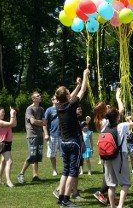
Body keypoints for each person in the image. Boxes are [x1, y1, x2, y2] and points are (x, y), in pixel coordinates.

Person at [54, 68, 89, 207]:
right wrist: (85, 77)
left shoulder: (58, 106)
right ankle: (67, 199)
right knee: (72, 172)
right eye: (68, 92)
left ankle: (61, 197)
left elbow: (73, 95)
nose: (70, 93)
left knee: (65, 170)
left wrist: (77, 85)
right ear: (67, 96)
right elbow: (82, 93)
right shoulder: (70, 105)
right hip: (74, 143)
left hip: (64, 142)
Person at [102, 106, 133, 208]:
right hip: (120, 155)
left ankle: (112, 206)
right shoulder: (122, 126)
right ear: (117, 117)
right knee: (125, 183)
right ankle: (120, 206)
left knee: (111, 184)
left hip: (107, 156)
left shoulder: (104, 126)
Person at [92, 88, 124, 206]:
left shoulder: (99, 120)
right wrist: (117, 97)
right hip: (110, 149)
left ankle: (110, 196)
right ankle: (100, 192)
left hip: (104, 149)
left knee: (108, 173)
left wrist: (108, 110)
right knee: (110, 175)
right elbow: (121, 110)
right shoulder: (105, 121)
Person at [17, 91, 46, 184]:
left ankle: (35, 176)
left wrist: (39, 122)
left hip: (40, 135)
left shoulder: (41, 109)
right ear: (33, 99)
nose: (40, 96)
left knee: (37, 156)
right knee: (32, 155)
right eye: (38, 96)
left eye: (39, 95)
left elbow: (45, 122)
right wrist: (40, 122)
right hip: (32, 135)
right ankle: (21, 174)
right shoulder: (29, 109)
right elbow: (32, 122)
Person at [0, 106, 17, 188]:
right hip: (4, 143)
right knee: (9, 162)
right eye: (2, 112)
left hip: (7, 143)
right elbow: (10, 123)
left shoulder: (2, 122)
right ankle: (8, 182)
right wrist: (11, 115)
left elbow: (14, 124)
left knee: (3, 161)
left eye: (4, 112)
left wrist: (14, 115)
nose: (3, 113)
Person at [43, 95, 60, 176]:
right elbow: (44, 123)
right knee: (52, 154)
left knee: (65, 154)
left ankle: (66, 169)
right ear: (52, 100)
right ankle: (54, 170)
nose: (57, 100)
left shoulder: (62, 108)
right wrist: (46, 134)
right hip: (53, 135)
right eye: (55, 99)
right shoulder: (49, 110)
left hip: (63, 135)